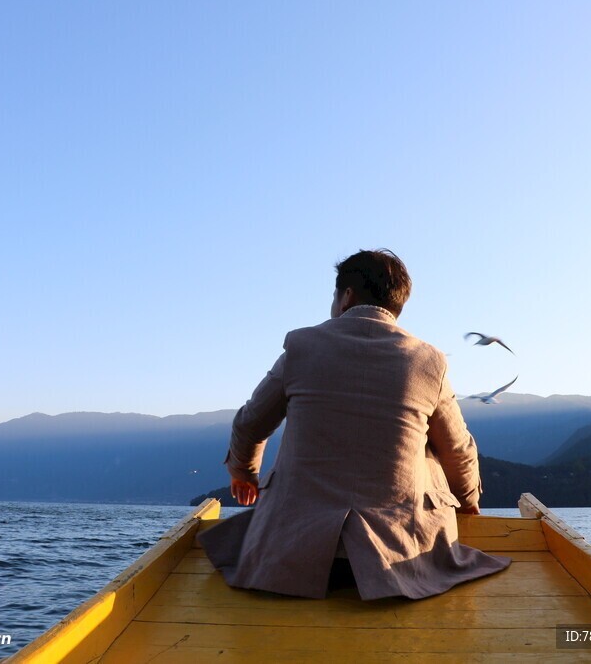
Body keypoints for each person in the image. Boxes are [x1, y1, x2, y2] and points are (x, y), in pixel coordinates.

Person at [198, 249, 510, 599]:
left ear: (346, 296)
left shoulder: (302, 347)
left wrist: (243, 473)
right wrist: (467, 500)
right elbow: (457, 448)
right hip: (402, 555)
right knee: (426, 447)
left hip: (293, 552)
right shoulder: (428, 361)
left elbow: (250, 424)